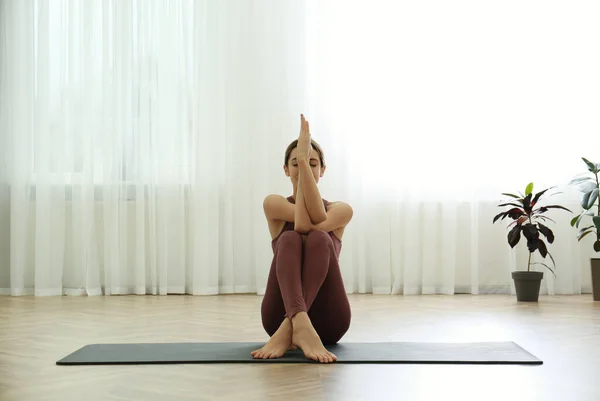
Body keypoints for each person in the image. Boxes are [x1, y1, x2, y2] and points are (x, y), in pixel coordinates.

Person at [251, 114, 353, 364]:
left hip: (329, 321)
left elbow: (311, 225)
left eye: (312, 163)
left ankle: (291, 328)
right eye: (295, 163)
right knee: (289, 240)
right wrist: (306, 165)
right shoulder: (273, 203)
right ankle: (299, 324)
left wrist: (304, 166)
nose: (302, 166)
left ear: (322, 169)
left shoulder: (341, 209)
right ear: (286, 169)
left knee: (319, 238)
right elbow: (301, 224)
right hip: (277, 315)